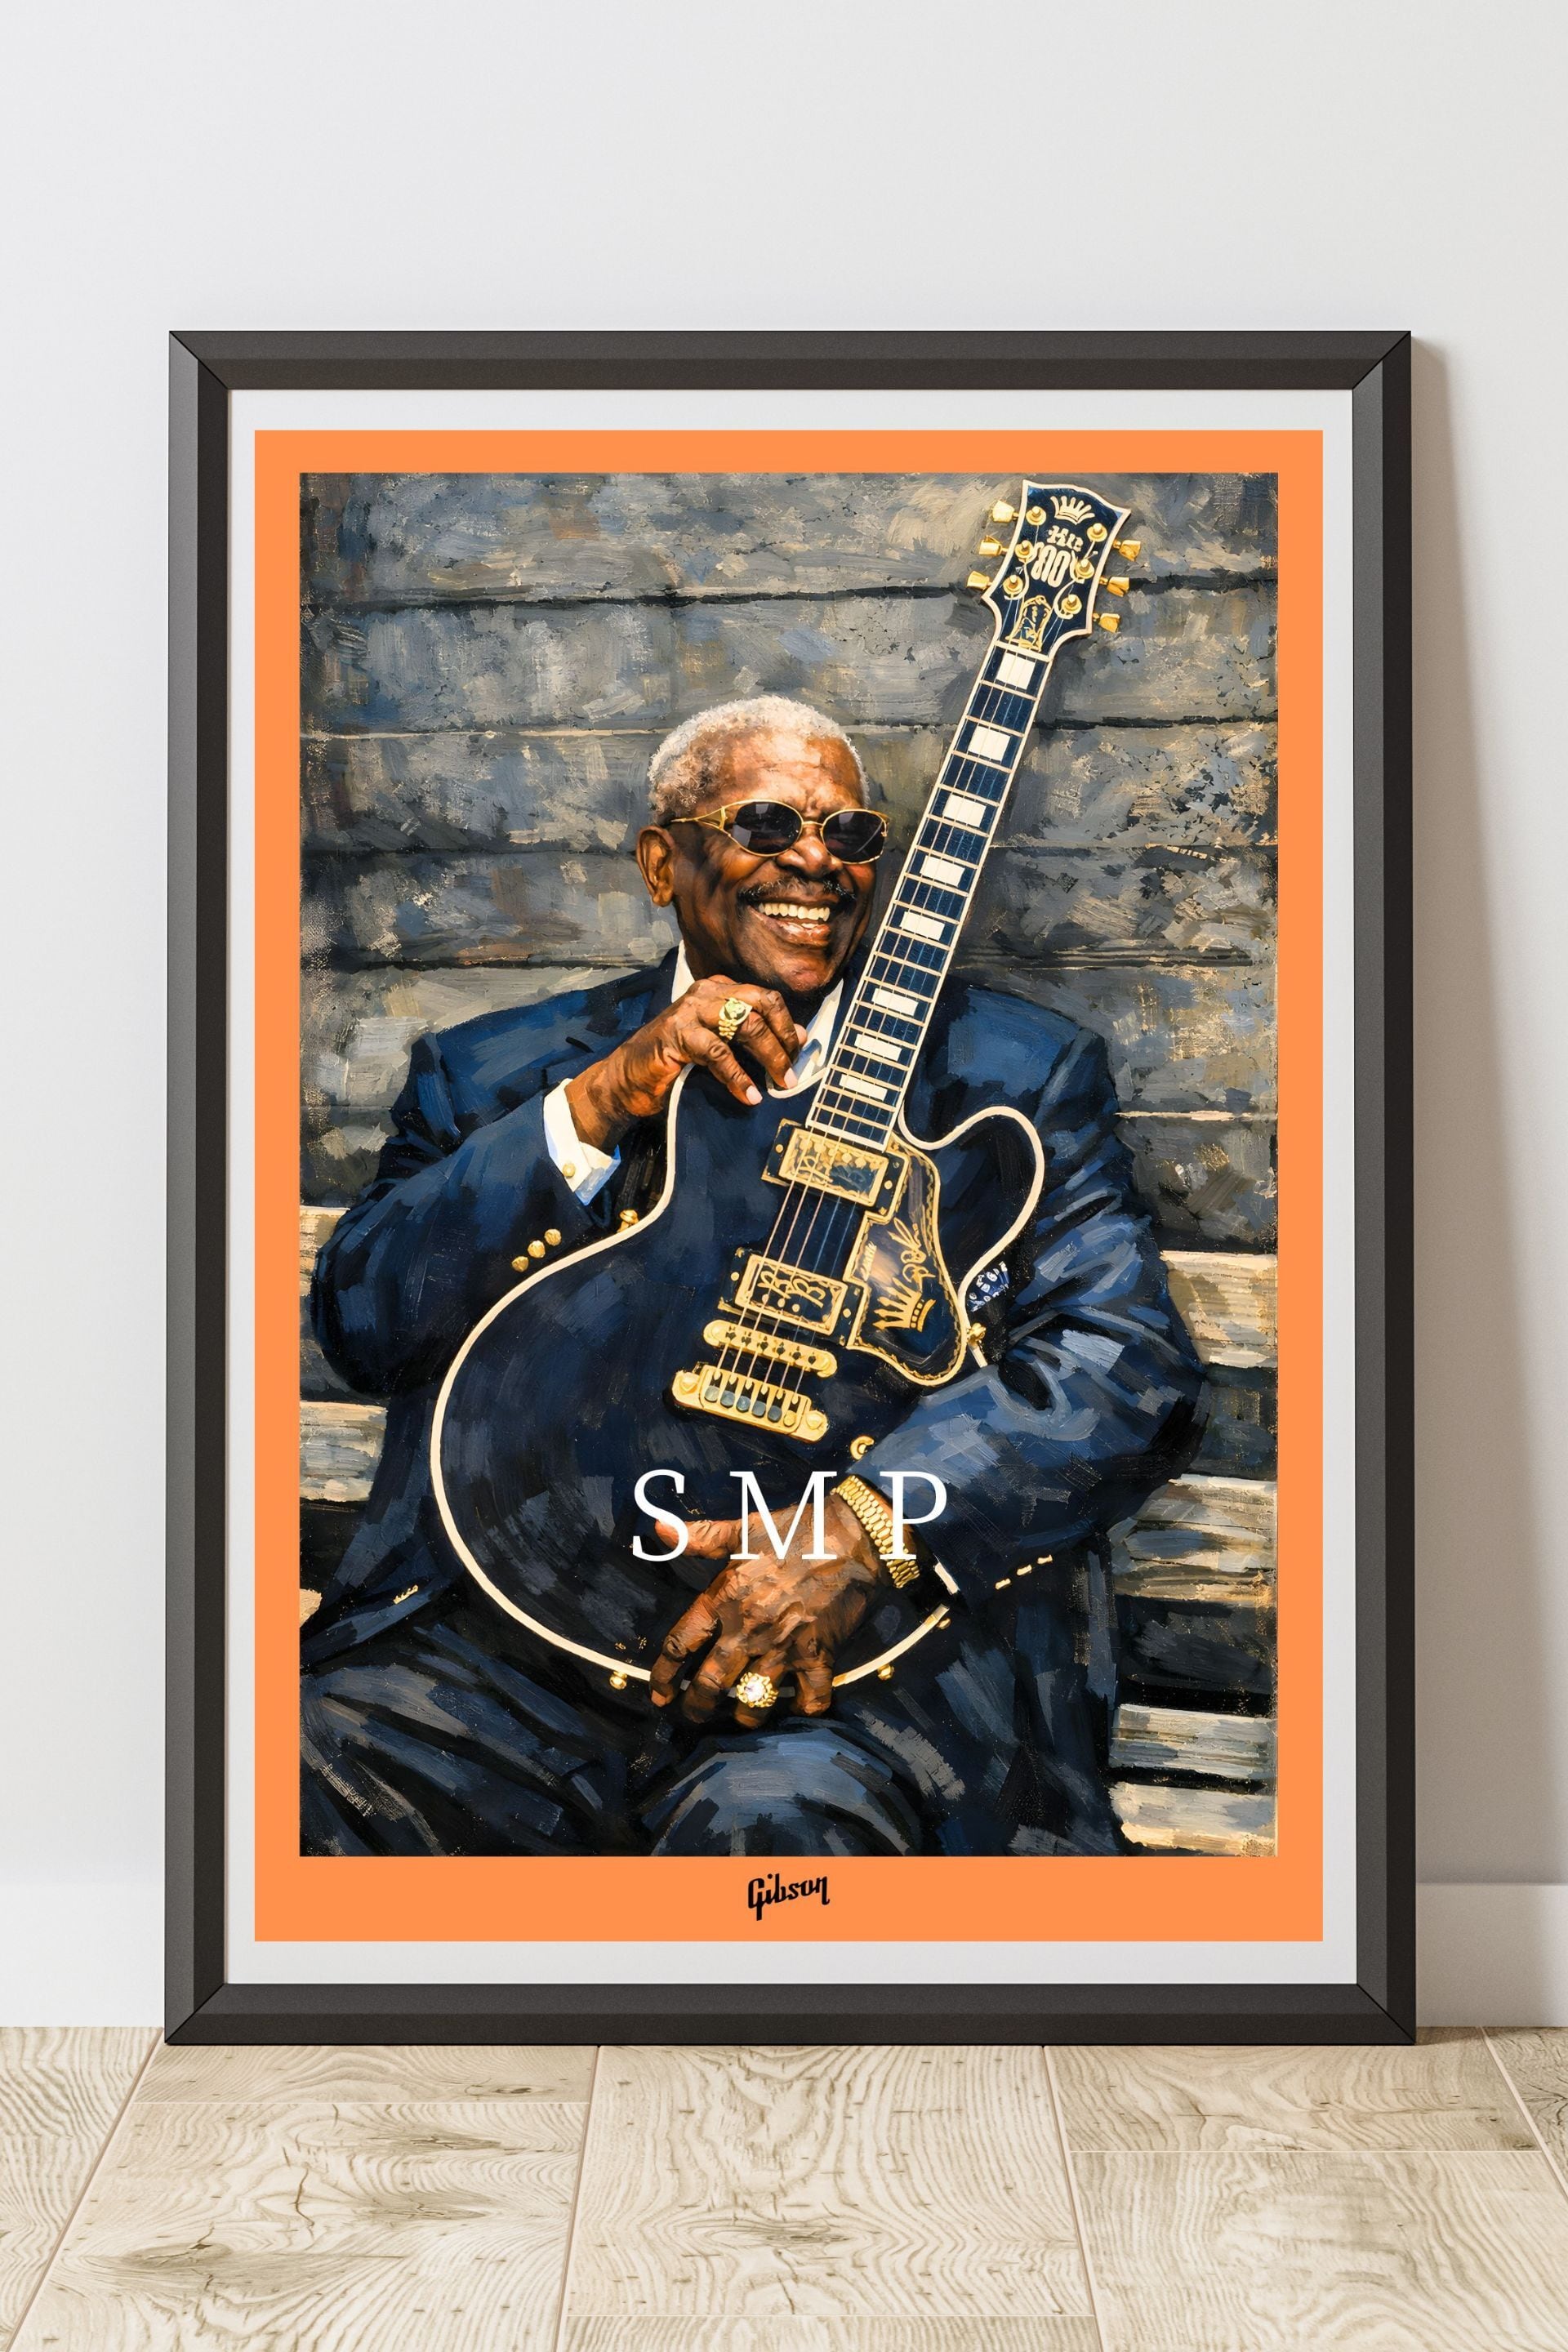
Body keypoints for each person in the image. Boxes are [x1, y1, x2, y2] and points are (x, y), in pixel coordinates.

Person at [302, 695, 1203, 1858]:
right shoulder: (494, 1072)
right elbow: (363, 1324)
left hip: (851, 1689)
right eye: (767, 824)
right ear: (660, 862)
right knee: (293, 1764)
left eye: (851, 835)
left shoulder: (1016, 1079)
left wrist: (867, 1530)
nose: (816, 863)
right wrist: (600, 1102)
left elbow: (1123, 1362)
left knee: (772, 1842)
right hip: (501, 1666)